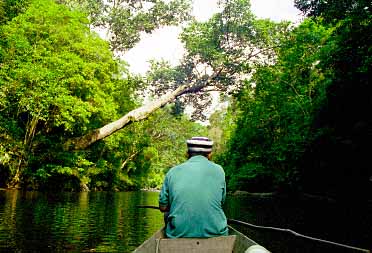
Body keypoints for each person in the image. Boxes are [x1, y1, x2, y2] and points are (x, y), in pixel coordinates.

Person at [158, 136, 228, 238]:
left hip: (178, 234)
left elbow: (163, 207)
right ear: (209, 154)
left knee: (167, 214)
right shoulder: (219, 170)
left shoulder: (172, 171)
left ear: (187, 153)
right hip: (216, 234)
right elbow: (221, 202)